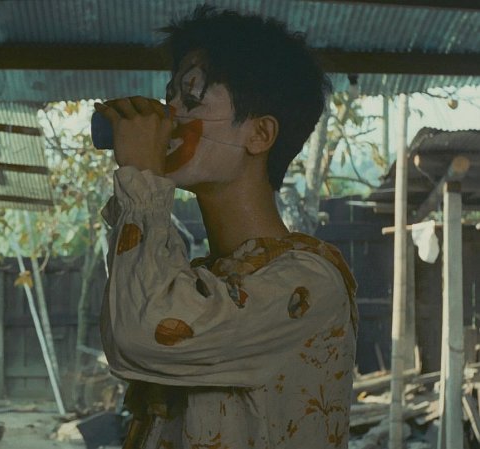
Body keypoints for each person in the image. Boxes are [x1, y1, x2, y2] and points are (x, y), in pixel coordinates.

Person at [94, 5, 357, 449]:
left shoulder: (309, 285)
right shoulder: (204, 281)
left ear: (260, 135)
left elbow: (143, 333)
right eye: (169, 96)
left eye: (191, 98)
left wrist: (142, 177)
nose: (169, 114)